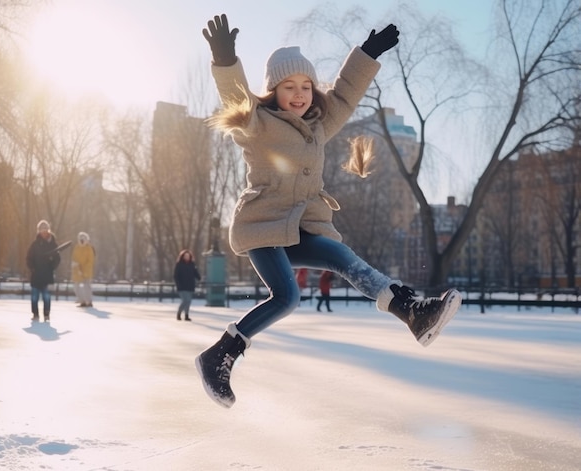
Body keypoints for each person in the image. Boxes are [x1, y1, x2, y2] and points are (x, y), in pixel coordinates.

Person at [196, 14, 462, 408]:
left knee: (343, 257)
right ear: (274, 90)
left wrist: (367, 55)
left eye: (306, 86)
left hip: (302, 225)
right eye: (290, 87)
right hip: (264, 226)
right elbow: (235, 98)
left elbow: (344, 96)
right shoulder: (258, 123)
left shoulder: (320, 124)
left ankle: (412, 311)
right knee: (286, 297)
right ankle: (220, 353)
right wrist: (224, 60)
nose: (300, 94)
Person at [26, 220, 61, 322]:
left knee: (47, 296)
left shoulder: (53, 244)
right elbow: (29, 258)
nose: (44, 232)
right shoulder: (35, 244)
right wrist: (32, 268)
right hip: (36, 275)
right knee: (34, 297)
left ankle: (46, 314)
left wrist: (51, 265)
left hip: (48, 275)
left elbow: (57, 259)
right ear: (39, 231)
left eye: (45, 229)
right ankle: (35, 313)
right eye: (42, 230)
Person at [173, 250, 201, 321]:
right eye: (185, 256)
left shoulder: (192, 264)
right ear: (182, 256)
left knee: (188, 301)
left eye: (188, 256)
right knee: (185, 300)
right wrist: (178, 284)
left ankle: (186, 315)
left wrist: (199, 277)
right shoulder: (179, 264)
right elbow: (176, 276)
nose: (187, 257)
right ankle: (179, 313)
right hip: (182, 286)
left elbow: (195, 273)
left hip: (190, 286)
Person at [71, 232, 96, 307]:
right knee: (76, 287)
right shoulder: (76, 248)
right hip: (77, 270)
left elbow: (90, 261)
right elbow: (74, 257)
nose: (82, 240)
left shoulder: (89, 248)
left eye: (83, 239)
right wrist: (75, 265)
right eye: (80, 239)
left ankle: (88, 301)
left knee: (87, 286)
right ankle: (82, 300)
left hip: (86, 271)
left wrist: (84, 269)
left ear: (87, 240)